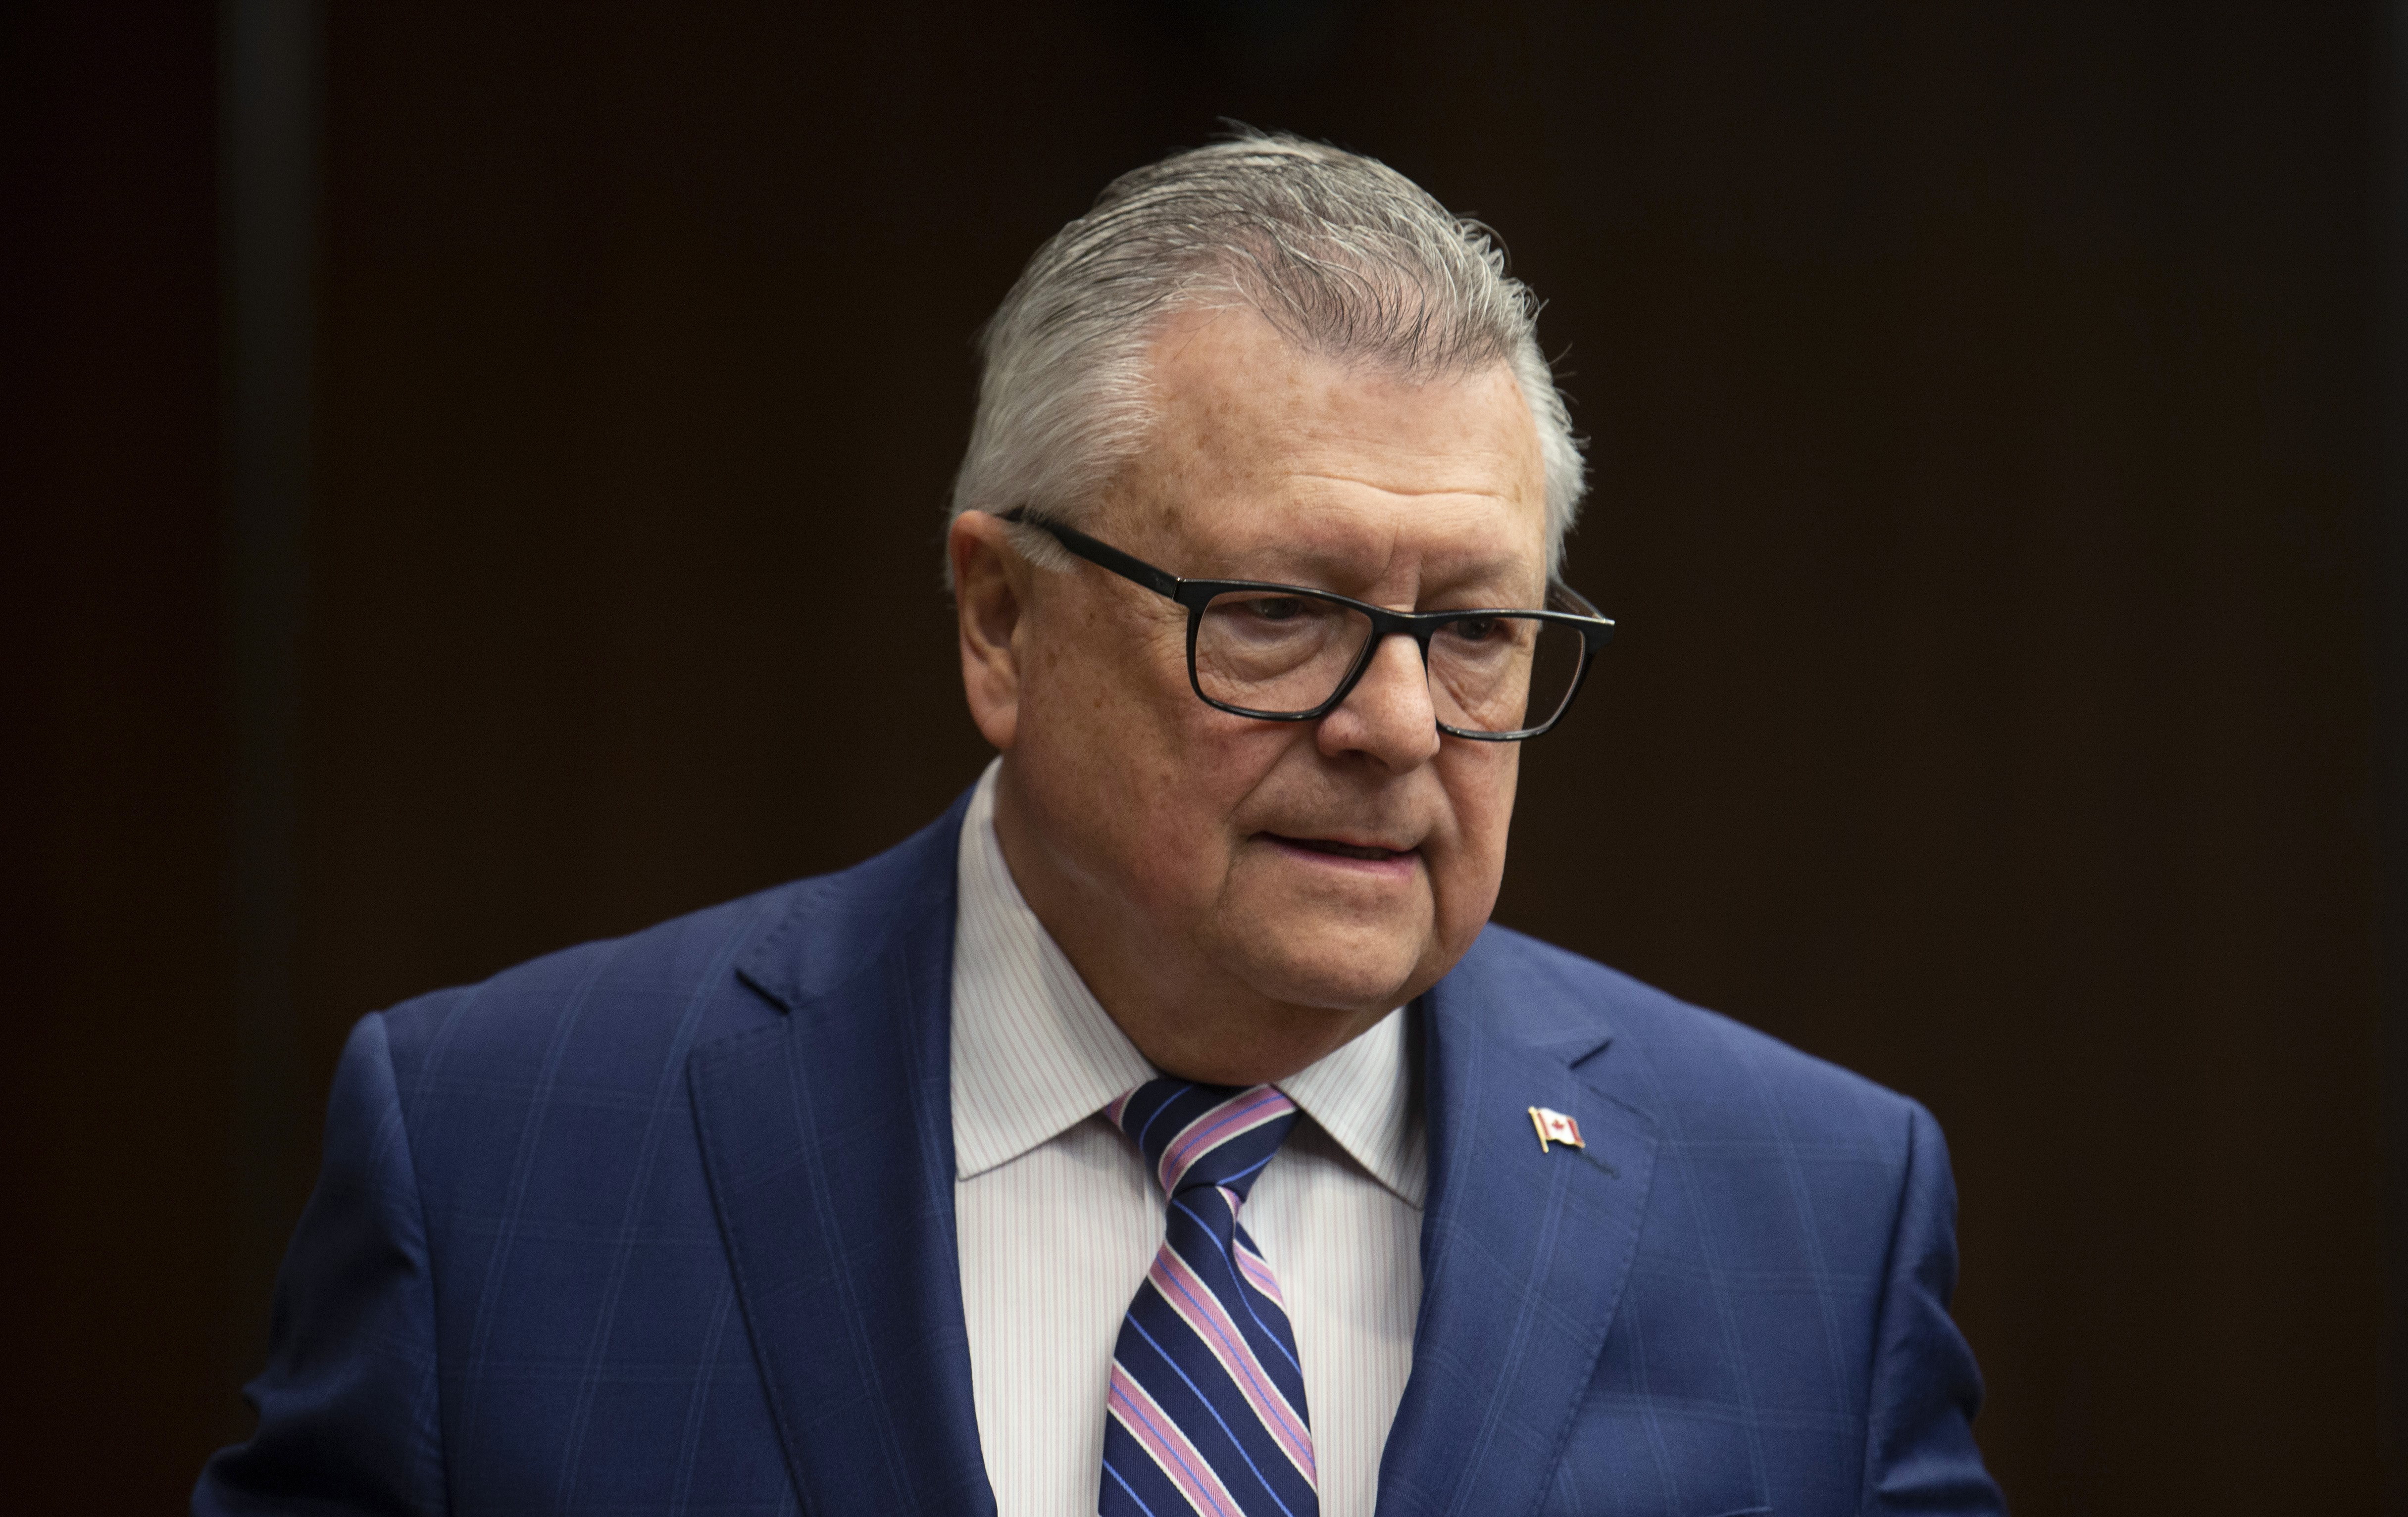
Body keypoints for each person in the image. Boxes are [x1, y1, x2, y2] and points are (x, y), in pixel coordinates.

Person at [196, 132, 2004, 1517]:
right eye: (1277, 610)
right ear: (1001, 621)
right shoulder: (501, 1161)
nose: (1397, 724)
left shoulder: (1814, 1221)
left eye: (1473, 629)